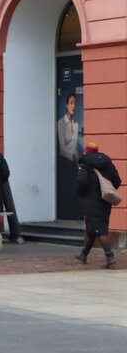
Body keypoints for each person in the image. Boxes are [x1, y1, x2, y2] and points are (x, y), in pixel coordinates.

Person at [75, 141, 121, 269]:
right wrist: (106, 190)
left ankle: (110, 258)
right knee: (92, 228)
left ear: (86, 151)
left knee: (99, 230)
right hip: (105, 201)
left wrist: (82, 193)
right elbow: (117, 181)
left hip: (90, 200)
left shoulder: (84, 164)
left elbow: (82, 184)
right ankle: (83, 254)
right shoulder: (108, 163)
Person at [56, 93, 80, 163]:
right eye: (71, 103)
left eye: (75, 103)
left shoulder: (76, 124)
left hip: (75, 163)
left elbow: (75, 147)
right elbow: (62, 149)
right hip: (64, 162)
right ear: (67, 105)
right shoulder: (61, 123)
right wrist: (73, 156)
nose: (73, 106)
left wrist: (79, 161)